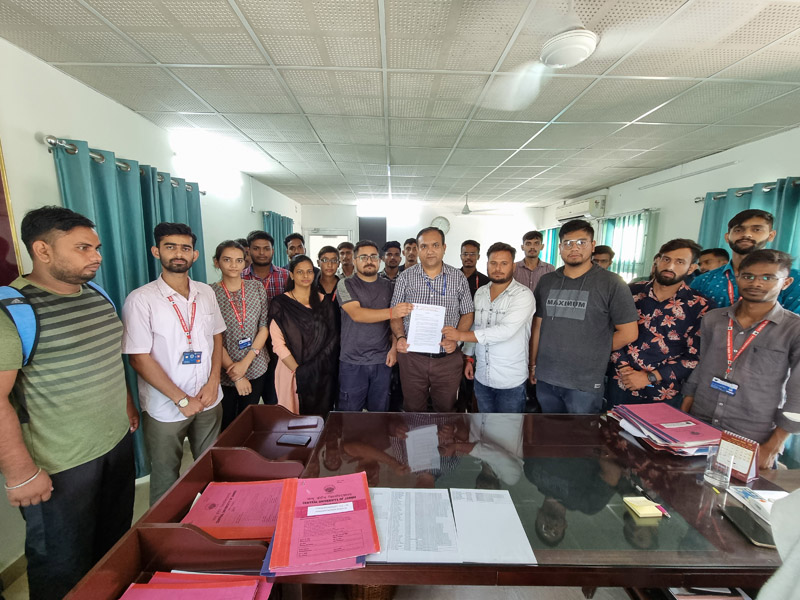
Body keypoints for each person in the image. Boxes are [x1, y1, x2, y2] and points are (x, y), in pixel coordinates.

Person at [0, 206, 136, 600]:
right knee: (62, 565)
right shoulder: (13, 313)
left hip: (115, 447)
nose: (95, 256)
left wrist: (127, 404)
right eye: (82, 248)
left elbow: (110, 359)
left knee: (113, 546)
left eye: (95, 247)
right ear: (42, 250)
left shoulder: (97, 295)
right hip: (60, 465)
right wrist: (21, 472)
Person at [123, 222, 225, 504]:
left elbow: (217, 337)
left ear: (194, 255)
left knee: (210, 467)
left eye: (185, 248)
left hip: (208, 398)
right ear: (157, 251)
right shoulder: (141, 300)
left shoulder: (206, 293)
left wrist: (214, 380)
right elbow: (139, 359)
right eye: (170, 247)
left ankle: (209, 522)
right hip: (166, 406)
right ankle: (166, 537)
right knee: (166, 475)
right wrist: (181, 400)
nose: (178, 253)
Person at [682, 249, 800, 469]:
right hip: (701, 423)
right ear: (738, 278)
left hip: (752, 434)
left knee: (733, 500)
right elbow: (702, 365)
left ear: (786, 282)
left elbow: (798, 395)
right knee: (686, 492)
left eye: (768, 277)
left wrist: (773, 446)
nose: (756, 283)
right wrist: (685, 409)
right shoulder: (713, 319)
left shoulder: (794, 329)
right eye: (748, 276)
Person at [530, 219, 639, 414]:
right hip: (547, 376)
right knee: (548, 435)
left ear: (592, 246)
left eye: (581, 242)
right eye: (568, 243)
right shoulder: (547, 281)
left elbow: (629, 333)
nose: (574, 248)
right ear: (560, 247)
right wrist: (533, 364)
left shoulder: (612, 283)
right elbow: (538, 325)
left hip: (584, 381)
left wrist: (592, 350)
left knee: (580, 439)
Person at [608, 239, 712, 408]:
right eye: (666, 259)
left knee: (652, 435)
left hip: (663, 392)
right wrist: (625, 368)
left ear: (692, 268)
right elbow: (609, 331)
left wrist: (649, 377)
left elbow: (695, 356)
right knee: (609, 432)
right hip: (621, 382)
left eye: (680, 262)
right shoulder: (630, 292)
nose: (670, 267)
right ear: (657, 260)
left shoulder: (700, 306)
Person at [444, 242, 535, 413]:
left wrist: (459, 336)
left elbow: (505, 331)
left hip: (510, 381)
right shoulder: (481, 292)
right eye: (493, 263)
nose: (498, 268)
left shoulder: (523, 295)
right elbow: (475, 324)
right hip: (482, 377)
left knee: (508, 434)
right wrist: (469, 358)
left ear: (513, 266)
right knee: (484, 430)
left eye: (504, 263)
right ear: (486, 264)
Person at [390, 227, 474, 412]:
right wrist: (400, 338)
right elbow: (395, 314)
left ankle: (442, 442)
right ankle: (416, 442)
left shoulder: (458, 278)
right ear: (417, 249)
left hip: (447, 358)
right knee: (413, 409)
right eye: (424, 246)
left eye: (435, 245)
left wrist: (456, 339)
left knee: (445, 410)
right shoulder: (405, 278)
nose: (430, 251)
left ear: (444, 247)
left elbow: (467, 313)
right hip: (412, 358)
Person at [337, 240, 414, 412]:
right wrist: (392, 312)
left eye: (373, 256)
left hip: (382, 359)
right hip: (352, 361)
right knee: (350, 413)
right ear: (355, 260)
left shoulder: (390, 286)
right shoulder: (345, 284)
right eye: (363, 257)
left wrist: (394, 348)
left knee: (379, 413)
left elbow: (396, 322)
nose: (369, 260)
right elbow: (357, 314)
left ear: (379, 261)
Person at [268, 255, 339, 416]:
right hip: (290, 371)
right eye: (300, 272)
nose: (305, 276)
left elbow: (332, 339)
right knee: (291, 420)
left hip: (321, 373)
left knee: (319, 419)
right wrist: (300, 372)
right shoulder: (280, 303)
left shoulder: (324, 302)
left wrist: (314, 369)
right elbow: (278, 344)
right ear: (291, 275)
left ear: (314, 274)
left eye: (309, 271)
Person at [692, 209, 800, 314]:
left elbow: (794, 326)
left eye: (756, 230)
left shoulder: (792, 278)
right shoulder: (703, 281)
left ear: (771, 235)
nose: (746, 234)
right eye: (739, 230)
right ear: (727, 237)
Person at [211, 240, 269, 430]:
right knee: (227, 421)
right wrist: (235, 373)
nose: (234, 265)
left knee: (249, 419)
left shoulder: (256, 288)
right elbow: (212, 336)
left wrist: (247, 361)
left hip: (255, 364)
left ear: (245, 262)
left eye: (238, 260)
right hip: (224, 370)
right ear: (216, 262)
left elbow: (264, 326)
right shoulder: (209, 293)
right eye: (227, 260)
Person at [241, 230, 289, 303]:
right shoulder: (240, 277)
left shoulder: (286, 276)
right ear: (249, 251)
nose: (261, 253)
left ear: (272, 251)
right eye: (256, 248)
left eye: (266, 249)